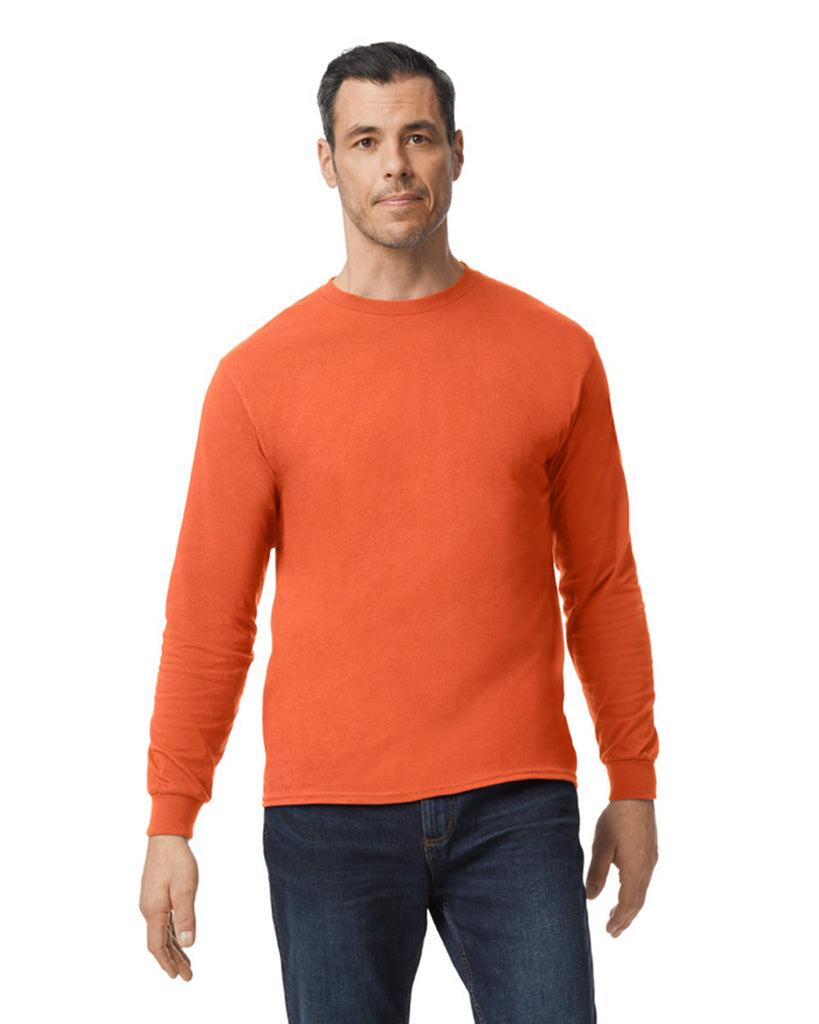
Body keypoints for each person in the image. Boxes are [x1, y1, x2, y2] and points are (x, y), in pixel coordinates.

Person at [139, 41, 659, 1024]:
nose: (395, 166)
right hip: (327, 816)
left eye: (418, 137)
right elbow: (209, 614)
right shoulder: (256, 378)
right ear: (327, 161)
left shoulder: (557, 354)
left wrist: (632, 781)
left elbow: (602, 584)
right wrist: (173, 817)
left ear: (457, 152)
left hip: (515, 803)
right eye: (366, 141)